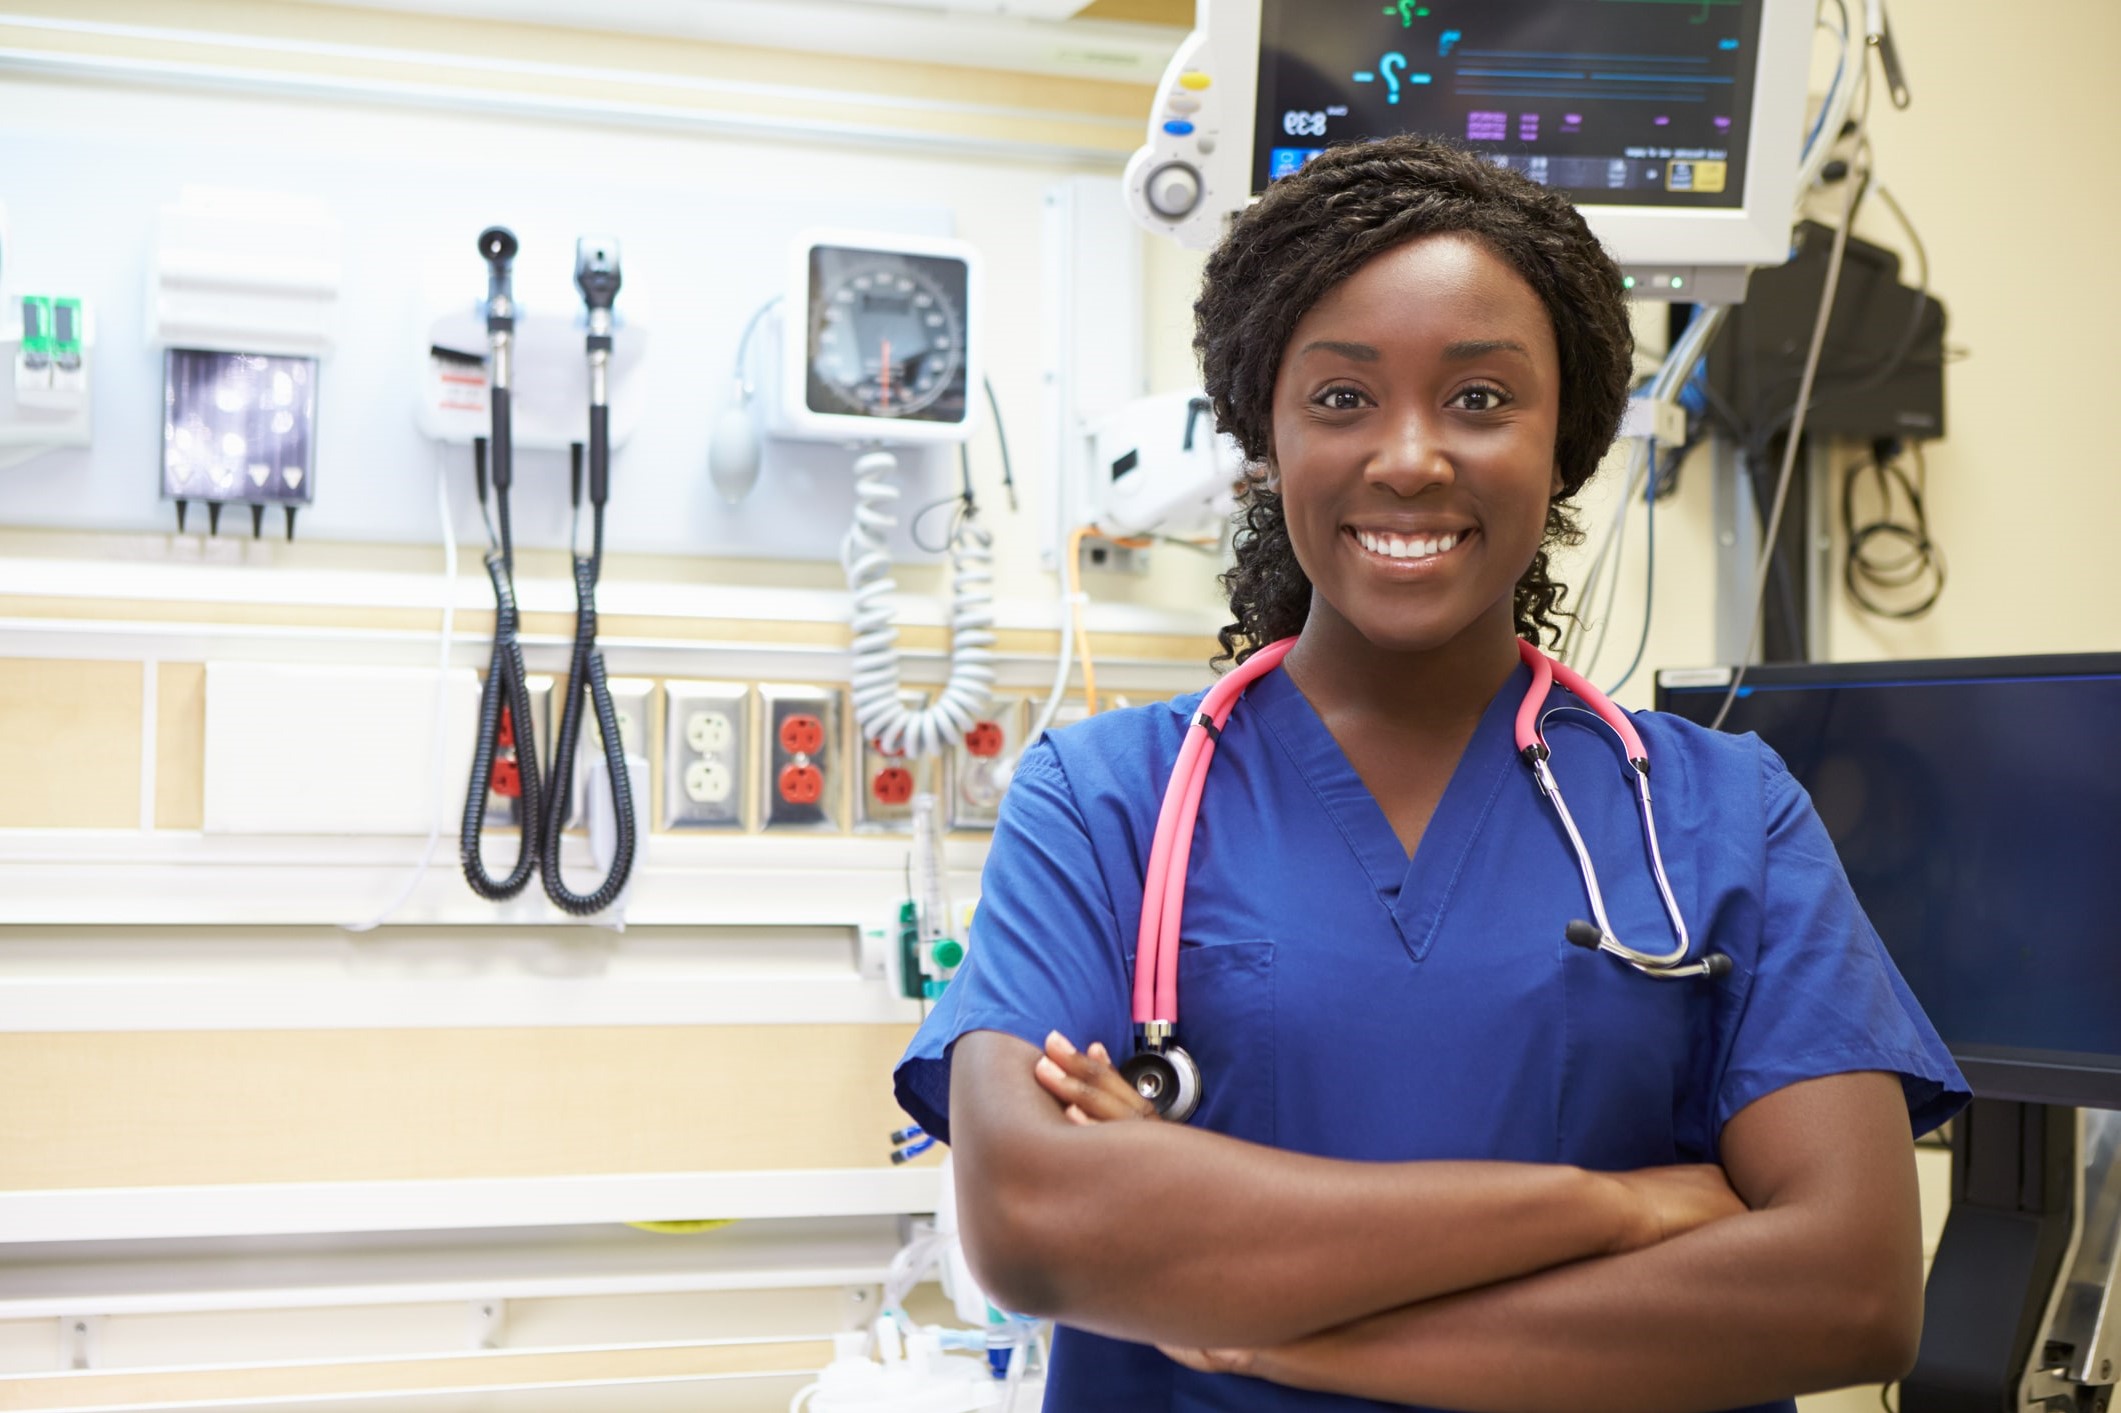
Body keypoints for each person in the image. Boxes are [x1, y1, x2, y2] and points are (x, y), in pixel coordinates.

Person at [893, 134, 1967, 1412]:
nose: (1410, 456)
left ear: (1563, 436)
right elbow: (1031, 1221)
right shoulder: (1108, 803)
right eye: (1342, 399)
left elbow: (1849, 1290)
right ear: (1266, 433)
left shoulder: (1722, 814)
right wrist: (1612, 1206)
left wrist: (1287, 1331)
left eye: (1479, 399)